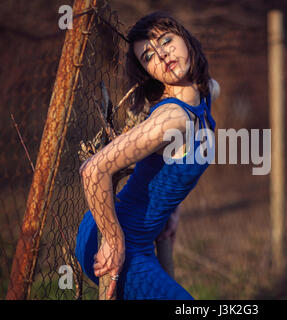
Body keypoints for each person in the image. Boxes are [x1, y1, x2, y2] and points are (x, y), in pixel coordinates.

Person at [75, 11, 220, 300]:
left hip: (142, 238)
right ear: (148, 73)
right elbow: (93, 170)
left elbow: (173, 166)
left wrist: (171, 209)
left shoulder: (206, 93)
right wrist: (114, 241)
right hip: (115, 236)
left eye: (166, 40)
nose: (163, 54)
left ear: (186, 39)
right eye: (149, 57)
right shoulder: (171, 119)